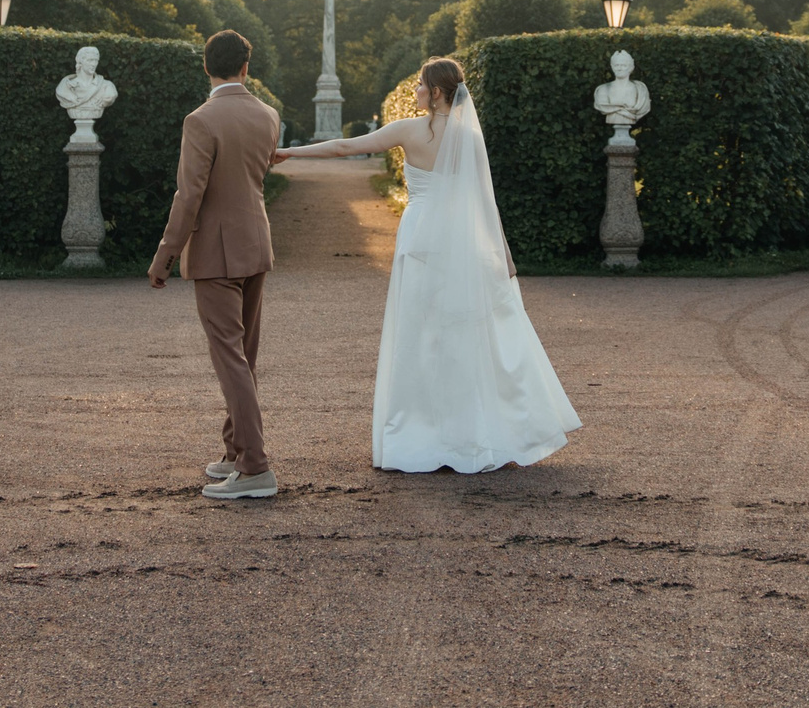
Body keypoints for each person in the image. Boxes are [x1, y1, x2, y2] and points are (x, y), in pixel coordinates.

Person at [275, 57, 579, 473]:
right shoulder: (469, 136)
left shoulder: (410, 130)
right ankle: (473, 433)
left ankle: (423, 432)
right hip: (462, 243)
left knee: (420, 336)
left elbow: (345, 147)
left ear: (436, 92)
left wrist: (290, 151)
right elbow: (484, 204)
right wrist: (503, 255)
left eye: (421, 85)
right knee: (465, 333)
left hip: (420, 240)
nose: (416, 91)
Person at [149, 29, 283, 499]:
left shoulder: (200, 120)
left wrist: (165, 255)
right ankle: (234, 451)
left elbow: (190, 196)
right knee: (244, 355)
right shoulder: (268, 115)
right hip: (256, 245)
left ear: (206, 67)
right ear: (246, 68)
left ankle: (255, 468)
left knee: (230, 358)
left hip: (216, 255)